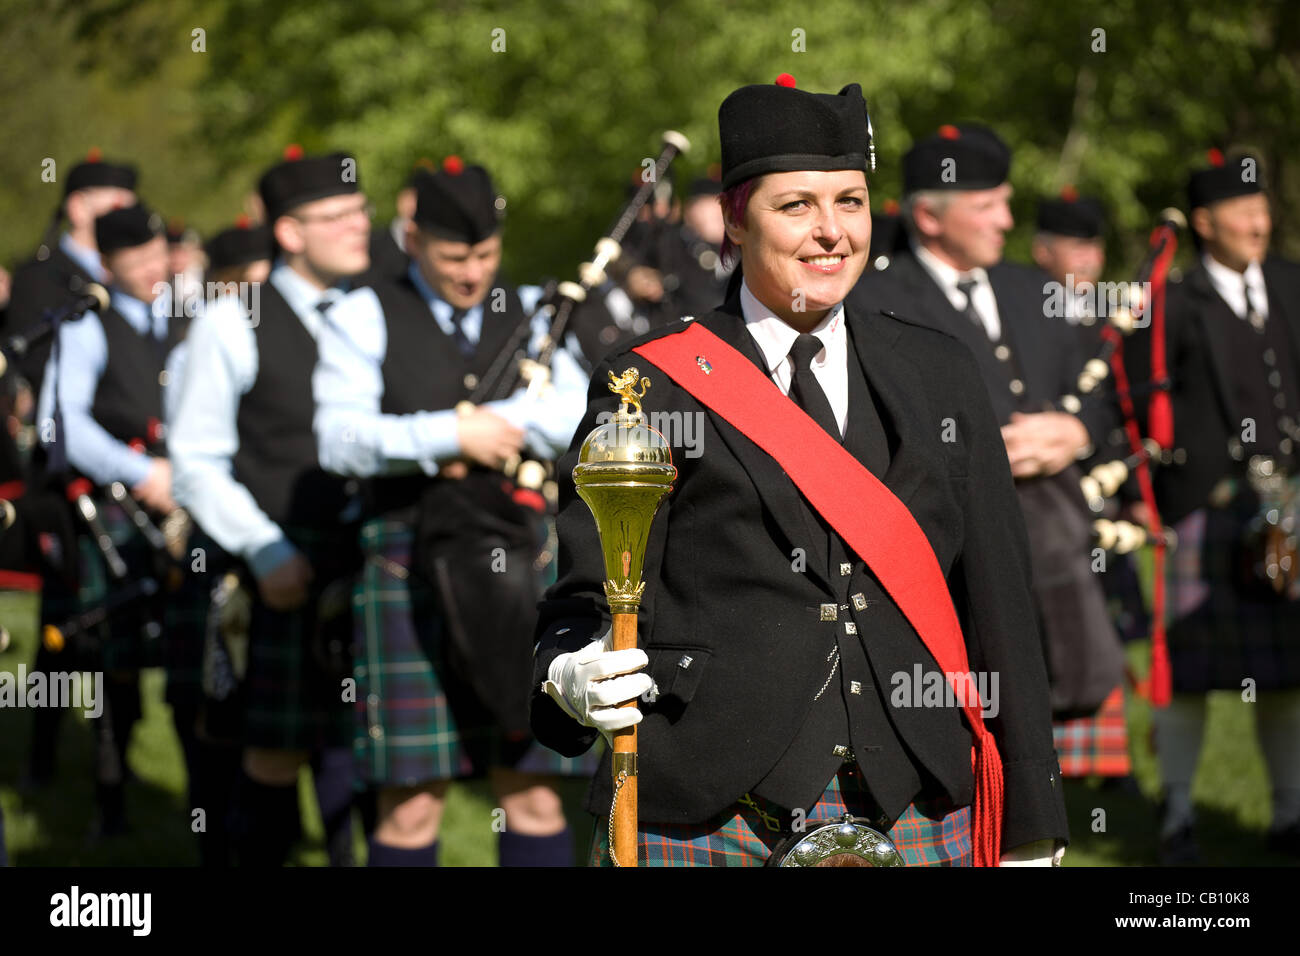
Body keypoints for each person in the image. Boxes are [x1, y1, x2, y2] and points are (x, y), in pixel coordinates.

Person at [532, 76, 1067, 867]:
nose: (831, 233)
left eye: (850, 202)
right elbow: (589, 594)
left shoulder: (939, 371)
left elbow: (999, 603)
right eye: (797, 206)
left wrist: (1031, 818)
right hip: (710, 802)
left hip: (920, 792)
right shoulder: (647, 381)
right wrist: (570, 672)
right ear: (733, 220)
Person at [315, 155, 591, 866]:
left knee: (530, 789)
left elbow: (579, 411)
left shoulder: (533, 310)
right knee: (411, 799)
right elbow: (338, 438)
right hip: (404, 564)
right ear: (412, 241)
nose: (474, 274)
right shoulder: (363, 313)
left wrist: (502, 420)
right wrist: (447, 435)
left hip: (517, 560)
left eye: (486, 255)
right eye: (453, 257)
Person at [850, 125, 1125, 765]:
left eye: (1004, 200)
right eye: (986, 205)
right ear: (928, 215)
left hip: (1062, 538)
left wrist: (1078, 430)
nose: (1006, 220)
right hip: (952, 551)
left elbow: (1107, 394)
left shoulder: (1037, 290)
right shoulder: (875, 299)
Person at [167, 148, 369, 866]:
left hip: (373, 567)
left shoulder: (377, 309)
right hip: (277, 569)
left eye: (360, 211)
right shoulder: (233, 322)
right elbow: (194, 460)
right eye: (336, 216)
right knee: (274, 755)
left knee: (372, 759)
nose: (358, 225)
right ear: (289, 232)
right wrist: (263, 547)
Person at [1124, 150, 1300, 861]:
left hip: (1290, 505)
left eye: (1263, 208)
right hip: (1201, 508)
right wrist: (1143, 497)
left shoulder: (1291, 283)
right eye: (1241, 210)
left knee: (1290, 675)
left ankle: (1289, 814)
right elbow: (1131, 401)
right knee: (1190, 679)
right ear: (1204, 222)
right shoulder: (1170, 301)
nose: (1258, 221)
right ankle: (1179, 819)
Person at [33, 202, 182, 836]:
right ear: (106, 264)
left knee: (188, 652)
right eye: (134, 260)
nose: (151, 269)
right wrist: (143, 472)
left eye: (157, 255)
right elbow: (57, 425)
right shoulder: (84, 326)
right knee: (108, 660)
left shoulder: (185, 318)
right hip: (116, 509)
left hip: (187, 503)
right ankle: (110, 799)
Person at [1031, 189, 1137, 783]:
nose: (1089, 259)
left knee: (1106, 615)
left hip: (1104, 483)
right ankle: (1056, 761)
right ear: (1044, 250)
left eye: (1094, 245)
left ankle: (1111, 761)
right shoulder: (1028, 312)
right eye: (1076, 245)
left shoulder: (1108, 316)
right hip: (1048, 493)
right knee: (1054, 623)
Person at [7, 151, 137, 398]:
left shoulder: (129, 281)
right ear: (78, 208)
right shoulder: (40, 279)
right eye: (117, 208)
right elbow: (39, 372)